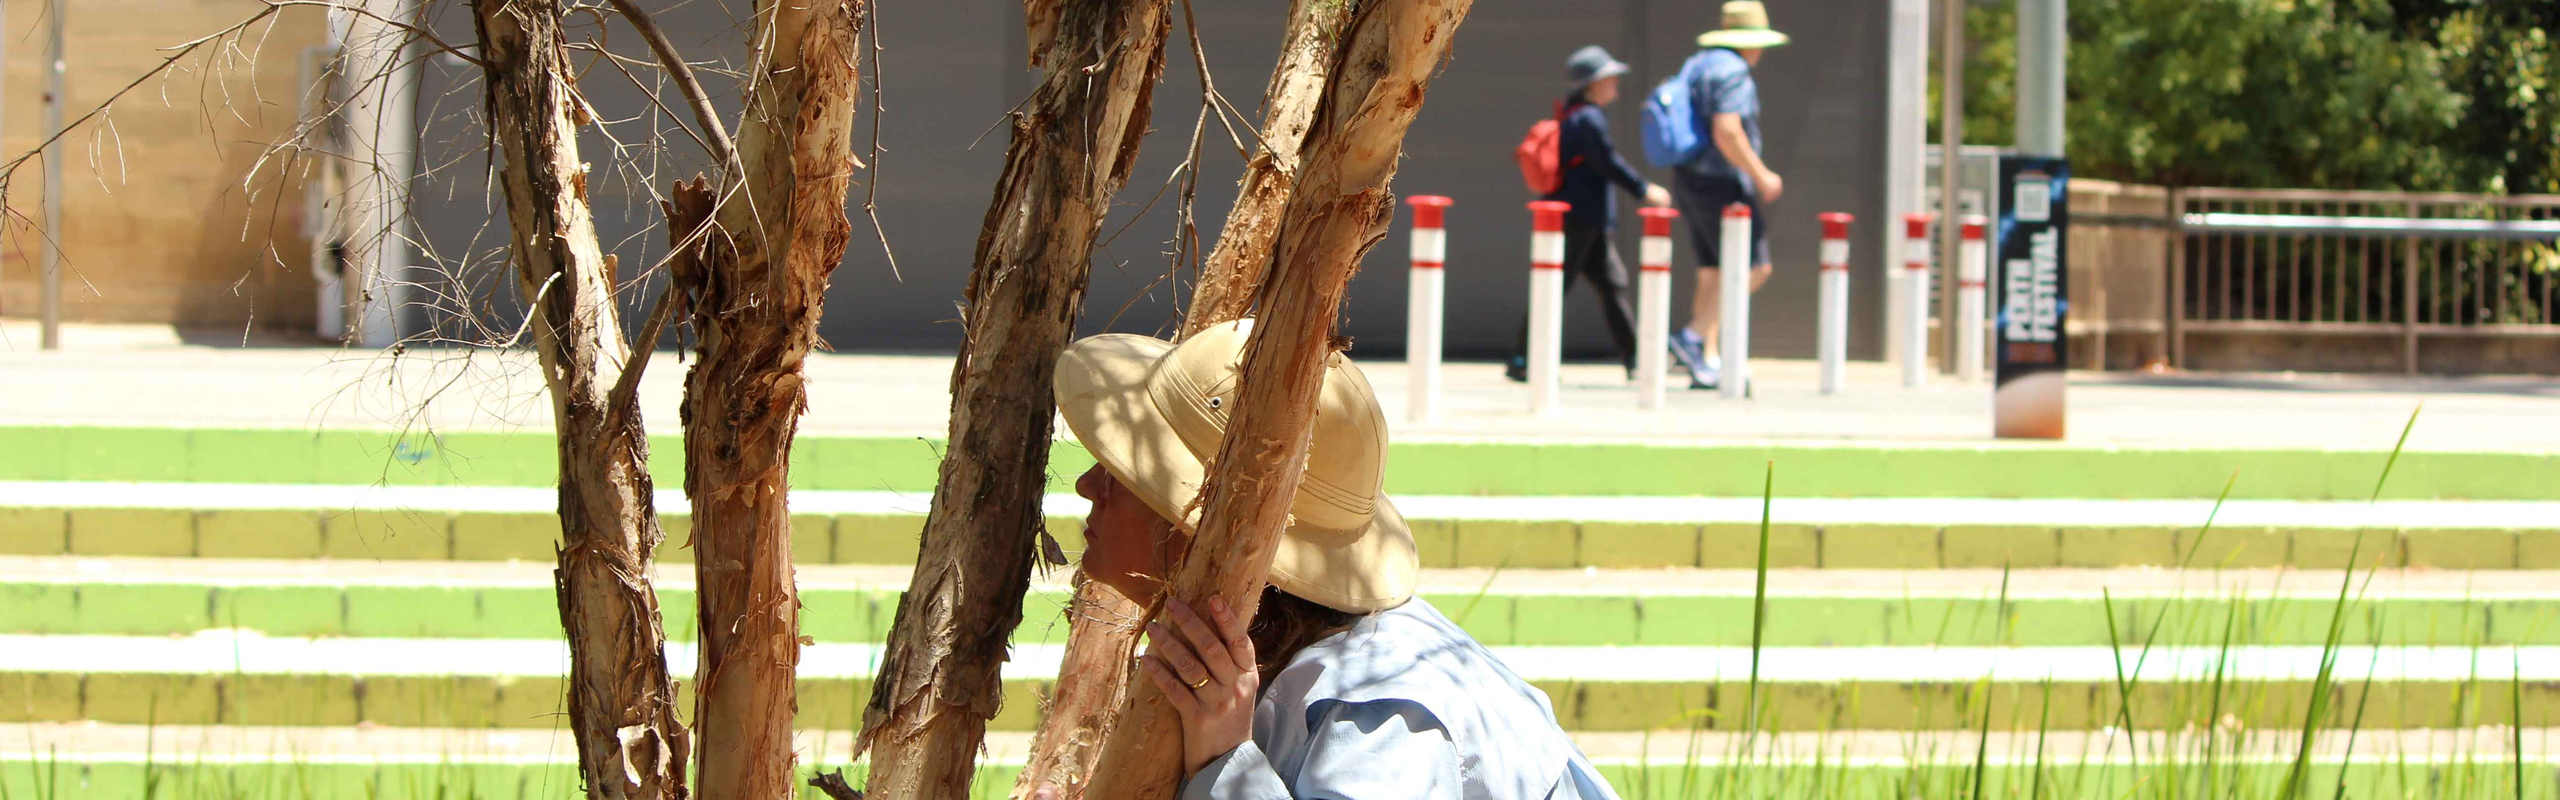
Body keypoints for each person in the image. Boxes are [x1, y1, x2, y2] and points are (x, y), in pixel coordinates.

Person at [1048, 320, 1624, 800]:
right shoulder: (1251, 670)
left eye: (1122, 473)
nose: (1087, 485)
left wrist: (1226, 765)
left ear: (1198, 530)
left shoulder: (1384, 718)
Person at [1508, 45, 1674, 383]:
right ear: (1593, 84)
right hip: (1579, 217)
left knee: (1610, 284)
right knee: (1554, 283)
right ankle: (1524, 358)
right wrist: (1644, 189)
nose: (1615, 82)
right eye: (1609, 77)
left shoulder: (1576, 115)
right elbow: (1607, 162)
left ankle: (1636, 357)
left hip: (1585, 218)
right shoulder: (1589, 119)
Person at [1666, 0, 1789, 390]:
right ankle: (1692, 337)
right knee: (1754, 267)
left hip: (1690, 178)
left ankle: (1706, 359)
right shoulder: (1733, 71)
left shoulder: (1698, 64)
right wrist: (1761, 175)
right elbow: (1728, 131)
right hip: (1723, 183)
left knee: (1712, 270)